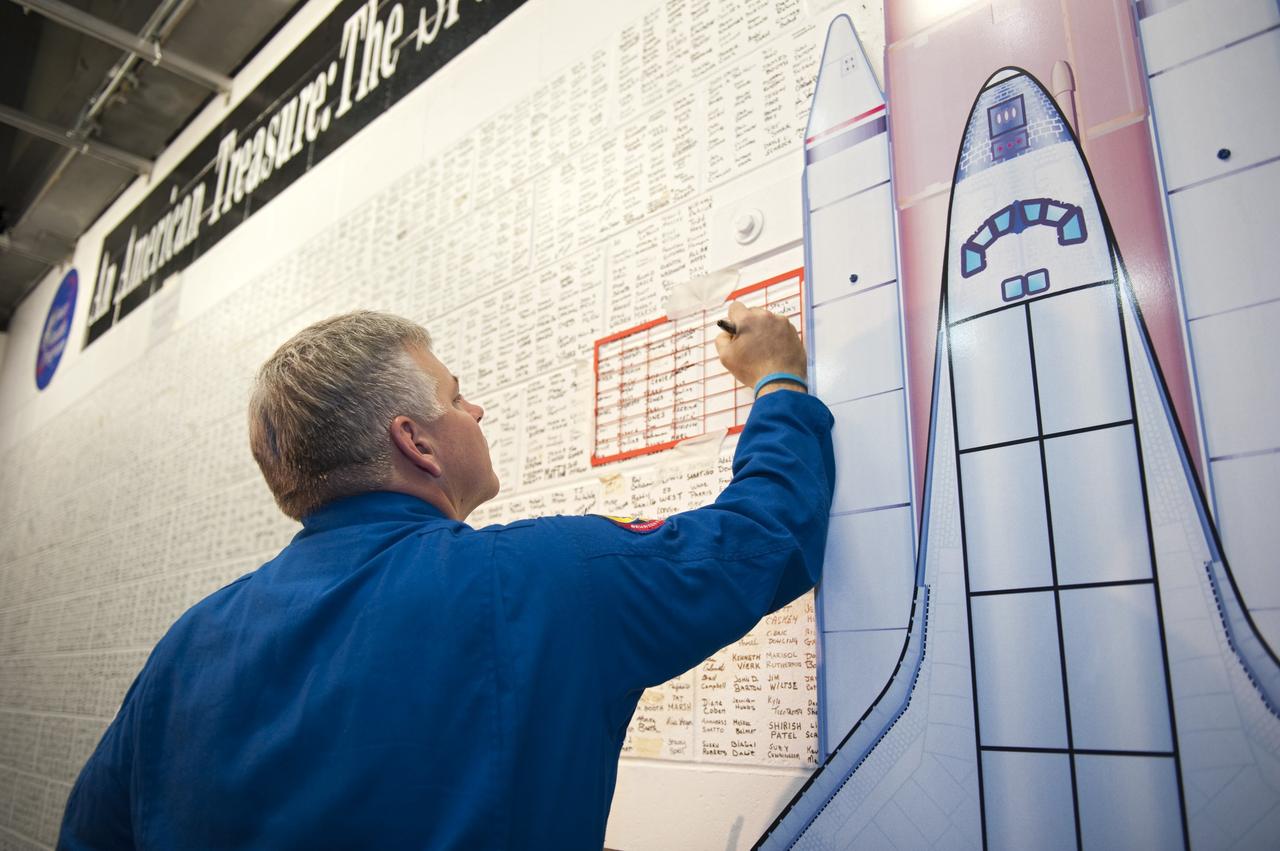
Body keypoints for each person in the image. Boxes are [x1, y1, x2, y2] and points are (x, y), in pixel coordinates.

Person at [59, 304, 835, 849]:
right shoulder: (541, 579)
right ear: (417, 442)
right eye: (458, 396)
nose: (479, 409)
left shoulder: (184, 648)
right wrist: (777, 379)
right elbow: (767, 538)